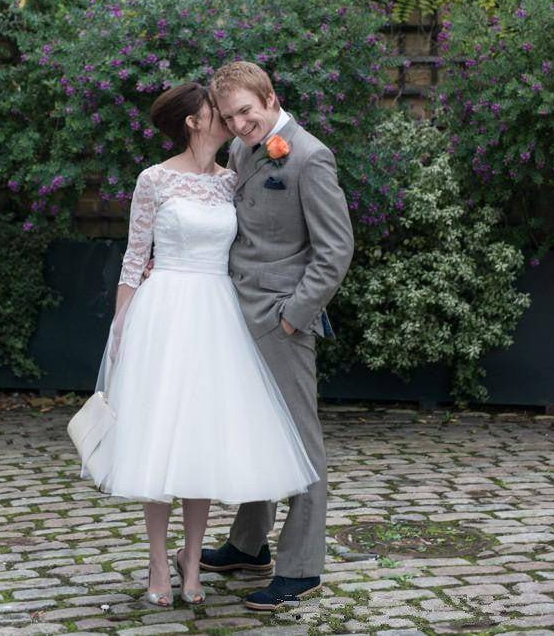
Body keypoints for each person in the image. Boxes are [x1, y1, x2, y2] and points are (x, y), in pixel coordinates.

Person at [78, 82, 318, 610]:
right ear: (193, 120)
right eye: (216, 109)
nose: (228, 117)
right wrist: (121, 327)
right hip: (163, 313)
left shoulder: (233, 178)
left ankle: (193, 558)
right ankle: (159, 561)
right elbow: (134, 254)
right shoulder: (154, 179)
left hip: (218, 315)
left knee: (202, 438)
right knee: (158, 437)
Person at [197, 61, 355, 611]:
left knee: (299, 441)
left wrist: (294, 315)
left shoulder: (309, 157)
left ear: (270, 97)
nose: (240, 125)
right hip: (235, 312)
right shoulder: (242, 151)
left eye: (247, 111)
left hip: (280, 319)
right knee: (256, 430)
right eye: (230, 116)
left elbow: (335, 250)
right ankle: (247, 544)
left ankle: (303, 568)